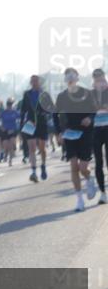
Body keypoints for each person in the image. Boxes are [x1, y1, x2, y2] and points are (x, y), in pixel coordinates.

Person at [52, 68, 99, 212]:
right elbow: (55, 115)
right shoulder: (61, 96)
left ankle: (89, 179)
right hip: (69, 133)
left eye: (72, 76)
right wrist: (58, 133)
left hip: (85, 133)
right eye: (67, 76)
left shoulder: (86, 93)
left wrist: (89, 118)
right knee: (73, 166)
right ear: (65, 80)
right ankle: (79, 200)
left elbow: (94, 110)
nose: (70, 78)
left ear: (77, 78)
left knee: (83, 168)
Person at [20, 75, 54, 182]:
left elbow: (51, 108)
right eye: (32, 81)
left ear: (39, 82)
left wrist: (46, 114)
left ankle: (43, 165)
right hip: (30, 123)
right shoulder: (27, 94)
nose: (34, 83)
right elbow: (23, 110)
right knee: (32, 148)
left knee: (42, 148)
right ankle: (33, 172)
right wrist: (22, 124)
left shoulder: (45, 94)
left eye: (36, 81)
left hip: (42, 123)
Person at [92, 68, 108, 204]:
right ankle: (103, 193)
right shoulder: (90, 94)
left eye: (101, 79)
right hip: (95, 130)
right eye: (97, 80)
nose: (100, 82)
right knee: (98, 163)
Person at [0, 97, 20, 166]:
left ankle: (10, 160)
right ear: (6, 105)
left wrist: (16, 127)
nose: (9, 106)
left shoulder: (15, 112)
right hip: (5, 130)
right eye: (8, 105)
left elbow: (19, 120)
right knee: (6, 146)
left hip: (13, 130)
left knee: (11, 145)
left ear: (12, 105)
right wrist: (2, 128)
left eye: (10, 105)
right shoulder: (3, 113)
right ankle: (5, 155)